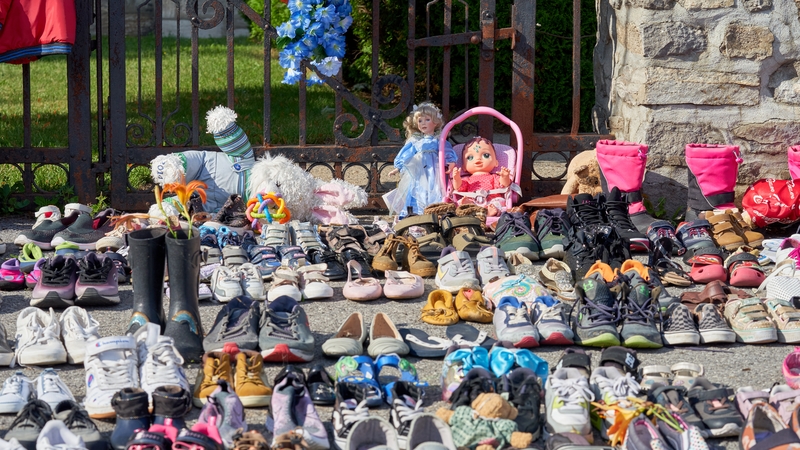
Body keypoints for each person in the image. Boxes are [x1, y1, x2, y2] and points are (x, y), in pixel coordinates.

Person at [386, 103, 457, 216]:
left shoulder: (439, 140)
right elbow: (407, 154)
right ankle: (417, 212)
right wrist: (398, 167)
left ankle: (434, 211)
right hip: (419, 170)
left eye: (427, 119)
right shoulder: (416, 141)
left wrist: (450, 161)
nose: (423, 123)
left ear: (436, 122)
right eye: (420, 121)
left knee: (435, 189)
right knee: (416, 188)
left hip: (434, 170)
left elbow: (446, 150)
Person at [452, 136, 513, 217]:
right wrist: (456, 179)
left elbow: (503, 185)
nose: (478, 159)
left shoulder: (494, 177)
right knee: (461, 202)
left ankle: (488, 211)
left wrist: (504, 177)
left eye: (486, 155)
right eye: (470, 157)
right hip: (473, 201)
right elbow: (458, 188)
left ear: (496, 162)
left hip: (490, 201)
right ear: (464, 167)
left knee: (498, 203)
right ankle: (471, 207)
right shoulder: (467, 179)